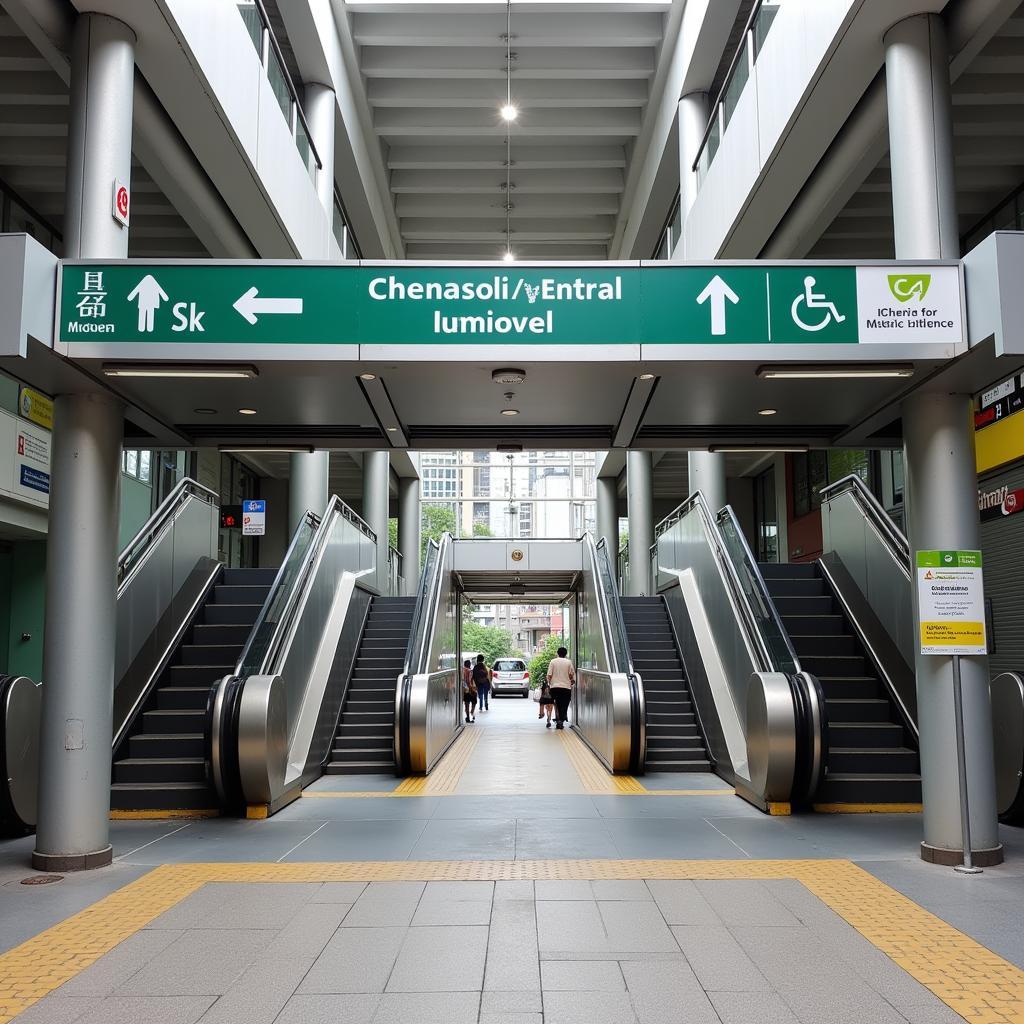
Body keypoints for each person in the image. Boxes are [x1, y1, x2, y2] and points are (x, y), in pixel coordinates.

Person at [546, 646, 575, 730]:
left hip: (554, 687)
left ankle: (559, 719)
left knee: (556, 704)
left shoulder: (553, 661)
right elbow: (571, 675)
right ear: (566, 654)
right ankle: (561, 720)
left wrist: (549, 683)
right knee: (564, 704)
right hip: (566, 687)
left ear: (557, 653)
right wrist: (572, 681)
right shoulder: (568, 662)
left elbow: (549, 675)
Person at [470, 654, 490, 720]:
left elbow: (474, 676)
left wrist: (474, 684)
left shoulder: (475, 667)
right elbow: (487, 675)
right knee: (486, 695)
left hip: (479, 683)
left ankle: (481, 707)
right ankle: (486, 705)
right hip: (485, 682)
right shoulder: (485, 667)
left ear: (477, 659)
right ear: (483, 659)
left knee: (480, 695)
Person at [462, 659, 477, 723]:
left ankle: (468, 717)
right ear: (469, 664)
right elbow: (469, 681)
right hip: (470, 690)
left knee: (466, 703)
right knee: (474, 702)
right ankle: (471, 713)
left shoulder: (462, 670)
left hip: (465, 690)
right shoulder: (469, 671)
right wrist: (472, 689)